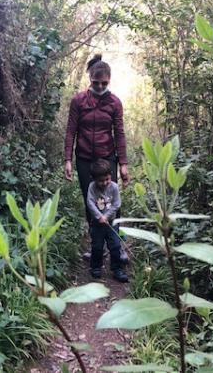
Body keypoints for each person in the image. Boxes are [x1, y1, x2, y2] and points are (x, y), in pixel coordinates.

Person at [64, 53, 129, 260]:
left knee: (111, 202)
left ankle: (117, 248)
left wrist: (123, 164)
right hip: (84, 158)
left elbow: (119, 133)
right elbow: (70, 131)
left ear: (109, 80)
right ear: (90, 79)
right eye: (96, 82)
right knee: (90, 202)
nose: (100, 86)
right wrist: (67, 160)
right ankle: (95, 247)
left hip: (107, 157)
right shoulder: (78, 101)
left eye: (104, 83)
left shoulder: (115, 103)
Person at [86, 159, 128, 282]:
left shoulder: (114, 187)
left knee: (115, 246)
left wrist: (107, 216)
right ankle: (95, 267)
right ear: (94, 179)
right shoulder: (92, 187)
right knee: (97, 246)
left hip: (111, 224)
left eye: (107, 179)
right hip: (97, 225)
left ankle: (117, 269)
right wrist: (99, 216)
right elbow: (90, 203)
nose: (105, 183)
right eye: (101, 180)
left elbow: (116, 204)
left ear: (111, 176)